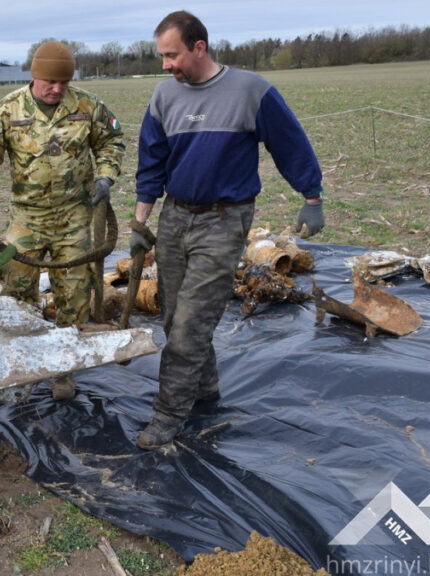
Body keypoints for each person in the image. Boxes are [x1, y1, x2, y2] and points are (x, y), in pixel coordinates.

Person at [132, 11, 326, 450]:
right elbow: (151, 164)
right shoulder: (164, 96)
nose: (166, 65)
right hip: (175, 217)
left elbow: (290, 143)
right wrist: (140, 223)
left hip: (224, 220)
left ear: (199, 47)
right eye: (161, 55)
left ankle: (168, 416)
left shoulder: (251, 91)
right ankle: (204, 390)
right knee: (173, 314)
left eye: (171, 55)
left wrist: (311, 196)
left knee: (190, 325)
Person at [0, 40, 125, 401]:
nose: (57, 89)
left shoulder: (87, 106)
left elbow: (111, 142)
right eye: (50, 82)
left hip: (76, 215)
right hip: (27, 218)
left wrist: (105, 177)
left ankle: (62, 369)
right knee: (16, 287)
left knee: (74, 291)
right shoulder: (8, 110)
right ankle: (25, 365)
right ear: (34, 76)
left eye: (64, 82)